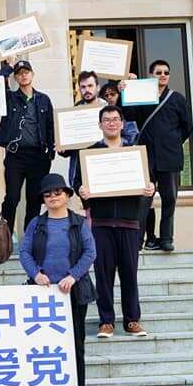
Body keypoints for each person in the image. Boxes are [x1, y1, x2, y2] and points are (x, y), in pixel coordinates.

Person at [75, 105, 156, 339]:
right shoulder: (90, 153)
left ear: (122, 123)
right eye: (106, 120)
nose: (111, 123)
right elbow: (78, 182)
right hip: (101, 223)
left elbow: (147, 181)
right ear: (100, 125)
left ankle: (132, 320)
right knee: (103, 274)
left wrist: (149, 189)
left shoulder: (135, 152)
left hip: (129, 222)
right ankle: (106, 321)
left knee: (130, 273)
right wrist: (83, 192)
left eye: (115, 119)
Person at [18, 173, 97, 386]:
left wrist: (73, 276)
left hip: (73, 291)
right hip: (43, 293)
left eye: (58, 193)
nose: (53, 197)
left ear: (67, 196)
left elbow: (90, 253)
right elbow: (24, 252)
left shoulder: (79, 222)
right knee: (41, 343)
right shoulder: (36, 223)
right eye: (48, 194)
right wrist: (36, 274)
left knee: (76, 342)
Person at [121, 60, 192, 252]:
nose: (162, 75)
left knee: (169, 200)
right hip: (146, 157)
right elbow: (128, 114)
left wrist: (173, 142)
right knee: (142, 201)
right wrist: (124, 91)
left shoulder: (177, 98)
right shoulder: (142, 95)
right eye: (158, 72)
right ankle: (137, 240)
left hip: (170, 158)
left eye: (166, 72)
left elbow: (187, 127)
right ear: (151, 75)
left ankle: (166, 239)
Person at [0, 59, 55, 237]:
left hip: (38, 156)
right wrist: (8, 66)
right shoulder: (10, 98)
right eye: (19, 72)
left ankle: (30, 239)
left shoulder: (43, 99)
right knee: (12, 197)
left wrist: (51, 152)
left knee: (34, 200)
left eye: (26, 71)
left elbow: (51, 126)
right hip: (16, 155)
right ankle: (4, 237)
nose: (23, 75)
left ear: (32, 74)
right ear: (16, 76)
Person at [59, 71, 105, 189]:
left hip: (105, 164)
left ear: (97, 87)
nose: (87, 90)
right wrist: (62, 148)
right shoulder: (73, 112)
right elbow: (69, 149)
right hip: (81, 170)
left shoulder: (109, 109)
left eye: (90, 86)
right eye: (83, 87)